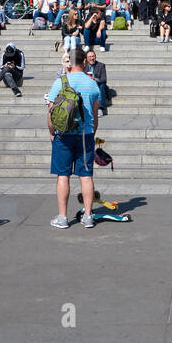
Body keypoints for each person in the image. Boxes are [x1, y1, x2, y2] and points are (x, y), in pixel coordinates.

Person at [46, 46, 101, 229]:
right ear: (85, 62)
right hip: (84, 135)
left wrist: (52, 133)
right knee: (86, 176)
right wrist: (91, 134)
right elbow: (94, 115)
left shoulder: (60, 82)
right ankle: (87, 215)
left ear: (70, 61)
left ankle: (62, 218)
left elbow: (51, 111)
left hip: (63, 135)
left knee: (63, 176)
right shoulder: (92, 83)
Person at [85, 49, 110, 115]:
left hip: (98, 84)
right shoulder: (83, 66)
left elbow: (104, 79)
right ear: (86, 58)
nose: (91, 58)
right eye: (89, 57)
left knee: (102, 85)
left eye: (93, 56)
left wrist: (95, 79)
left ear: (95, 57)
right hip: (87, 85)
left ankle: (100, 108)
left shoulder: (101, 65)